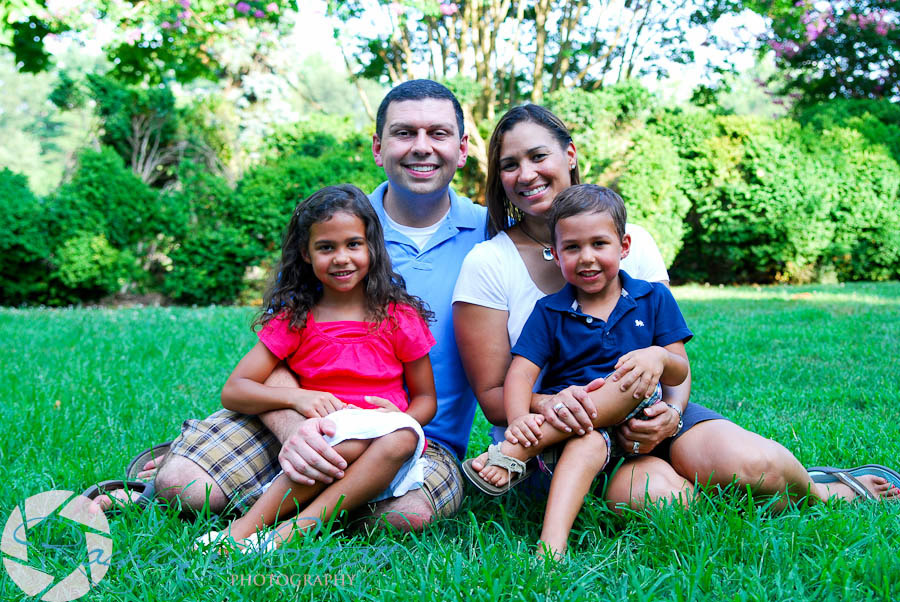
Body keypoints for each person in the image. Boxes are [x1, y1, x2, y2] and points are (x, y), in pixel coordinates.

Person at [452, 103, 900, 513]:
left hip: (650, 416)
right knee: (662, 503)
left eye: (537, 156)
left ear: (569, 155)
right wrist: (554, 403)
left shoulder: (635, 243)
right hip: (566, 440)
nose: (525, 174)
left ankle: (821, 489)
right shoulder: (489, 262)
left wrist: (670, 413)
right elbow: (494, 398)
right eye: (509, 164)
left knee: (756, 463)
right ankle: (695, 486)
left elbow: (669, 355)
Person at [132, 80, 486, 530]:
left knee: (402, 517)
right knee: (184, 485)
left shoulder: (492, 234)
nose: (421, 147)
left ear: (462, 147)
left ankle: (282, 503)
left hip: (415, 437)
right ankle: (217, 464)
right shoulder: (332, 227)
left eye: (437, 133)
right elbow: (281, 345)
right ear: (378, 147)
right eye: (404, 133)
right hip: (299, 421)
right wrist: (293, 430)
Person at [195, 184, 437, 550]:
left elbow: (426, 400)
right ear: (306, 255)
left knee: (402, 436)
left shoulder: (399, 317)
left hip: (385, 444)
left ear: (372, 246)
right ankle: (248, 532)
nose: (341, 257)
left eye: (353, 244)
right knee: (341, 443)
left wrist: (402, 415)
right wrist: (298, 399)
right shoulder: (297, 319)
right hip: (323, 437)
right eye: (326, 247)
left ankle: (284, 531)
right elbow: (234, 391)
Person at [464, 184, 693, 558]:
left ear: (624, 246)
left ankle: (516, 451)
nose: (586, 257)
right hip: (576, 425)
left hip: (635, 413)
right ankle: (550, 548)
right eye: (572, 247)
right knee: (587, 439)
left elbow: (678, 371)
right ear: (555, 254)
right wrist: (520, 418)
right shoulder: (550, 311)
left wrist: (656, 356)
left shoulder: (653, 297)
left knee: (629, 380)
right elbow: (520, 374)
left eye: (599, 244)